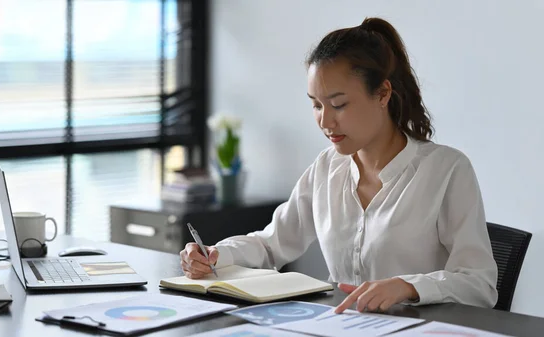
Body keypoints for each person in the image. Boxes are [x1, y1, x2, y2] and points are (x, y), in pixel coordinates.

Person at [180, 17, 498, 313]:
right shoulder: (327, 168)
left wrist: (408, 287)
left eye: (339, 104)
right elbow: (271, 244)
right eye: (316, 105)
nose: (325, 121)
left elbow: (479, 284)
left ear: (383, 93)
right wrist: (217, 255)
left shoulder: (447, 170)